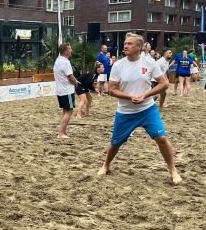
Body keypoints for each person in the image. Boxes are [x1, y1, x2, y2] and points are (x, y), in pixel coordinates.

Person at [97, 33, 182, 184]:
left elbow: (164, 83)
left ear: (139, 47)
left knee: (161, 138)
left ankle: (173, 170)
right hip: (125, 111)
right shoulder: (118, 65)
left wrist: (146, 95)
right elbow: (112, 90)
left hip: (147, 109)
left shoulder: (149, 63)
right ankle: (106, 165)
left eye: (130, 43)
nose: (126, 46)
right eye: (125, 43)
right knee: (116, 142)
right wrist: (130, 97)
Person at [54, 43, 79, 138]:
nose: (71, 50)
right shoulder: (65, 62)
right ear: (65, 51)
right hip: (66, 90)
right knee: (69, 111)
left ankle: (63, 132)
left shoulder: (58, 60)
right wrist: (76, 82)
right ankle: (61, 133)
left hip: (60, 90)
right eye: (70, 48)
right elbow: (70, 77)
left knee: (65, 111)